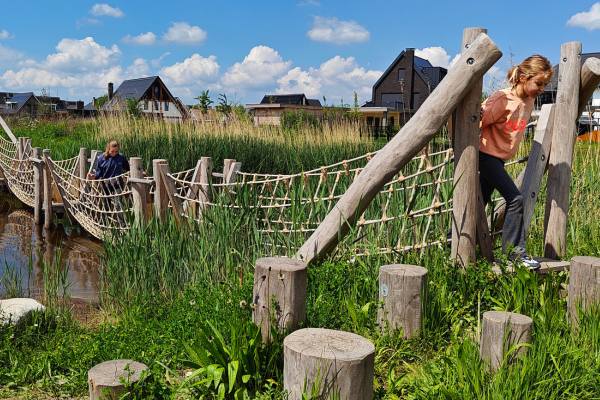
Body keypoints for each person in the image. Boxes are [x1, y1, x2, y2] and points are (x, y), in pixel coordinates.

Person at [479, 55, 553, 270]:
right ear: (523, 77)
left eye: (545, 85)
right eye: (538, 83)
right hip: (485, 156)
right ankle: (515, 255)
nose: (541, 89)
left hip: (499, 159)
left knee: (479, 202)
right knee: (515, 199)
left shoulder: (528, 101)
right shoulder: (502, 99)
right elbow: (477, 121)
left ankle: (450, 243)